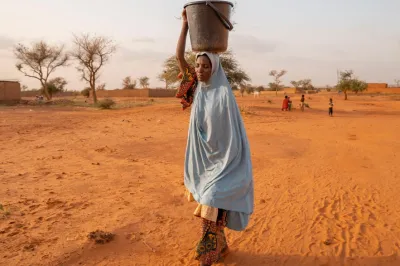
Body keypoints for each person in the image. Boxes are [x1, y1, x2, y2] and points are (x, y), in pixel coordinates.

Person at [176, 9, 254, 266]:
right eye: (198, 65)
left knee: (211, 203)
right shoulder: (196, 87)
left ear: (215, 67)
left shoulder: (224, 96)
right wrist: (186, 25)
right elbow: (179, 56)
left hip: (224, 165)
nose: (199, 70)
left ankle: (207, 256)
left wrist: (225, 164)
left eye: (205, 66)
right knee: (213, 209)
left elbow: (232, 137)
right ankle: (221, 247)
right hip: (203, 164)